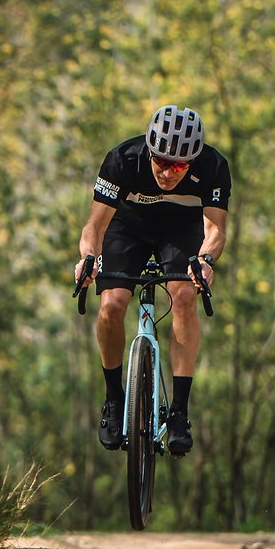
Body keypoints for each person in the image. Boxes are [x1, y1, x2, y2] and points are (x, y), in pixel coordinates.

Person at [74, 105, 231, 453]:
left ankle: (179, 412)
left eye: (179, 165)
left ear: (194, 160)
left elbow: (215, 228)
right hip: (127, 225)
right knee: (112, 304)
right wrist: (87, 258)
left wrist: (205, 260)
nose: (168, 172)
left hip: (181, 227)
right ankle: (115, 400)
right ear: (149, 148)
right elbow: (95, 225)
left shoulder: (213, 166)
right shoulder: (122, 160)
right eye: (161, 161)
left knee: (185, 296)